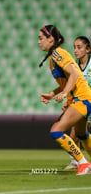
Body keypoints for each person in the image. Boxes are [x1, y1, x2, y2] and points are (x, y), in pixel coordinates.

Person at [38, 25, 91, 175]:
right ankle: (84, 163)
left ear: (51, 39)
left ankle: (83, 163)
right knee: (82, 134)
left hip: (81, 98)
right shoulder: (53, 57)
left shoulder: (57, 54)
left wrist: (65, 93)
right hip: (83, 97)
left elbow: (74, 74)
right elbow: (67, 79)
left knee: (56, 131)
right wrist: (52, 93)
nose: (38, 42)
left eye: (41, 38)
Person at [63, 35, 91, 170]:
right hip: (82, 103)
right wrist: (68, 101)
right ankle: (76, 161)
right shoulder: (74, 67)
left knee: (79, 134)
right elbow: (72, 86)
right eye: (74, 47)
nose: (75, 50)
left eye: (79, 47)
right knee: (75, 134)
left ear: (88, 49)